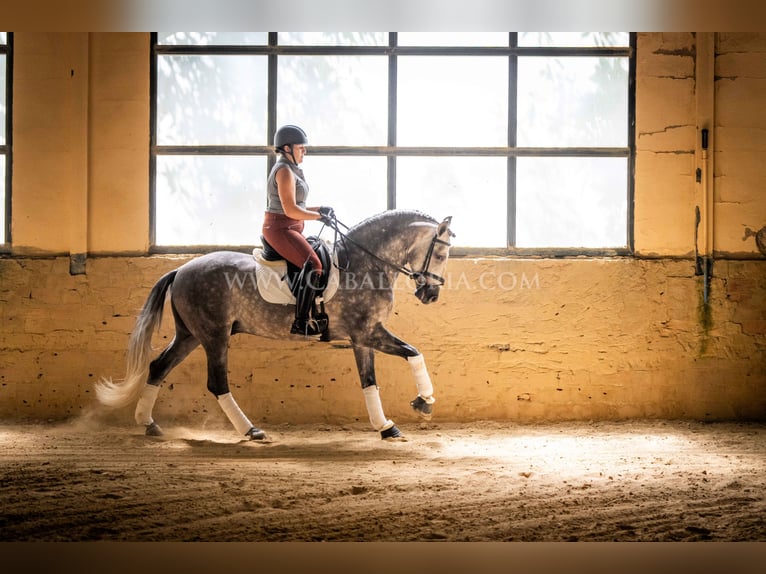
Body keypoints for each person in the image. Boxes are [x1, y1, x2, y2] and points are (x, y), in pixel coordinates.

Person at [262, 124, 334, 336]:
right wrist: (318, 217)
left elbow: (297, 207)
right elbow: (291, 209)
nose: (305, 151)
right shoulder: (284, 171)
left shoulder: (291, 169)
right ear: (287, 148)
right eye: (301, 147)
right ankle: (300, 322)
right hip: (279, 229)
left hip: (290, 227)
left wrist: (319, 209)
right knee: (314, 264)